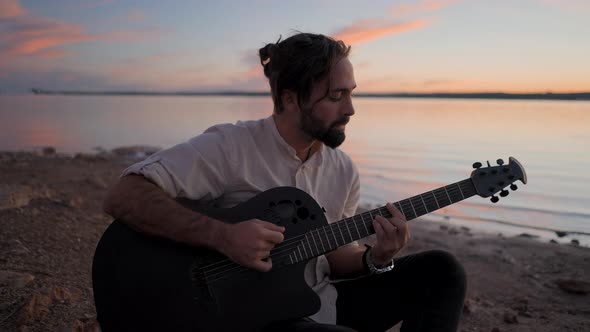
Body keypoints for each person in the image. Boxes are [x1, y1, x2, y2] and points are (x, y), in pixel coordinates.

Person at [103, 32, 466, 332]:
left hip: (318, 302)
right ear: (291, 99)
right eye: (336, 96)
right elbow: (125, 194)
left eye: (351, 93)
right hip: (245, 316)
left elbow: (334, 256)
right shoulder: (229, 146)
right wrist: (222, 235)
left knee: (441, 270)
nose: (351, 109)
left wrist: (376, 257)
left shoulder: (342, 170)